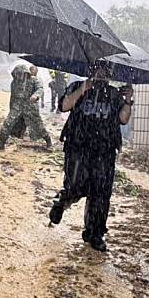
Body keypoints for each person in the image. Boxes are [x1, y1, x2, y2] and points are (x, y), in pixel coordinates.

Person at [48, 60, 133, 252]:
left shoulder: (113, 94)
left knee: (100, 193)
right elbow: (63, 106)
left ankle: (94, 233)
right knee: (76, 185)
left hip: (104, 151)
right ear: (92, 71)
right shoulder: (77, 86)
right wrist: (82, 90)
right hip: (78, 148)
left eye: (105, 72)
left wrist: (127, 101)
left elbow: (123, 119)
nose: (102, 75)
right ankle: (62, 201)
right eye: (98, 71)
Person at [0, 64, 52, 150]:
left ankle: (48, 142)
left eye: (21, 73)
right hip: (17, 107)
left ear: (26, 73)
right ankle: (1, 143)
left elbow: (40, 89)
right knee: (7, 123)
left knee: (38, 126)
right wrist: (11, 109)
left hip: (30, 107)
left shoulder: (34, 80)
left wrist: (35, 96)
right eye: (17, 73)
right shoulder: (14, 83)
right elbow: (12, 97)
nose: (19, 76)